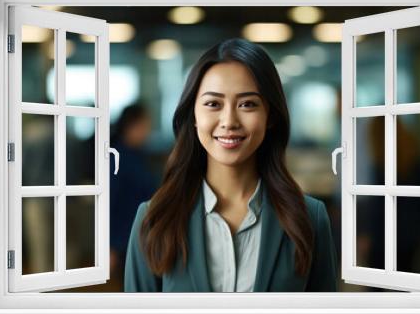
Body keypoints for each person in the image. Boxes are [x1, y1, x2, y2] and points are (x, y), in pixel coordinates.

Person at [124, 38, 338, 292]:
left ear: (270, 116)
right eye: (213, 104)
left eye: (247, 104)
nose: (229, 121)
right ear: (193, 115)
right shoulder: (154, 219)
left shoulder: (310, 219)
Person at [110, 104, 158, 282]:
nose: (148, 131)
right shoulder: (116, 157)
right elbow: (110, 202)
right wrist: (111, 245)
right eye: (145, 125)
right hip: (124, 238)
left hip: (142, 235)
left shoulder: (139, 154)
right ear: (133, 125)